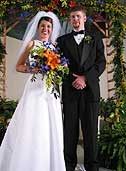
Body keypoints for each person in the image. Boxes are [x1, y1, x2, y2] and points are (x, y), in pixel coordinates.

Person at [0, 11, 66, 171]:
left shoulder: (55, 47)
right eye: (43, 26)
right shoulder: (32, 44)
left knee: (49, 124)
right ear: (38, 28)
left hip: (50, 90)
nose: (46, 29)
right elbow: (18, 66)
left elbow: (58, 67)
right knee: (32, 122)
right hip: (34, 88)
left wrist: (58, 69)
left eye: (48, 26)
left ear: (52, 29)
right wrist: (33, 69)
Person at [57, 6, 106, 171]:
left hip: (90, 91)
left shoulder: (96, 37)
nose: (75, 20)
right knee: (69, 132)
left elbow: (101, 63)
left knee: (91, 132)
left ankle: (92, 167)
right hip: (70, 90)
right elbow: (59, 65)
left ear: (84, 18)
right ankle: (68, 166)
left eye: (78, 16)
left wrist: (85, 78)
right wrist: (75, 79)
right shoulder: (62, 41)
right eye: (72, 17)